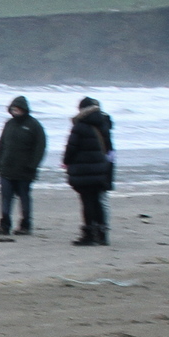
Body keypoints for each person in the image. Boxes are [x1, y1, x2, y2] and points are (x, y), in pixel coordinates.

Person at [0, 96, 46, 237]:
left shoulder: (34, 125)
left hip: (25, 171)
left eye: (18, 109)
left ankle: (25, 225)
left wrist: (33, 165)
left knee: (24, 198)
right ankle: (5, 225)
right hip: (6, 169)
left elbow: (40, 147)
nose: (15, 111)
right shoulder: (9, 124)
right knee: (5, 198)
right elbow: (2, 144)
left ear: (24, 109)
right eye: (13, 109)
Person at [63, 96, 116, 246]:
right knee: (98, 201)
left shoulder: (80, 126)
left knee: (87, 202)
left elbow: (71, 148)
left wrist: (66, 162)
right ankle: (102, 234)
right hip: (100, 168)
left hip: (83, 169)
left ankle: (89, 235)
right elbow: (109, 148)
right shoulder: (103, 124)